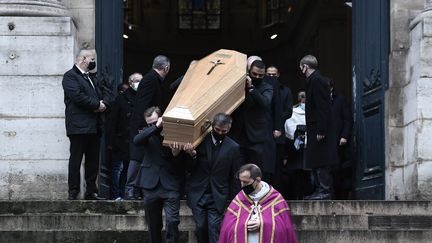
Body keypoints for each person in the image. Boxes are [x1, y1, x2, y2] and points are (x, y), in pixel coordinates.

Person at [182, 113, 241, 243]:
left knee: (214, 228)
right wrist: (192, 155)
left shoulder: (233, 147)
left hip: (218, 195)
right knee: (201, 227)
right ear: (213, 126)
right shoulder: (200, 141)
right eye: (217, 130)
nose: (219, 132)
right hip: (198, 193)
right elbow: (188, 168)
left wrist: (235, 200)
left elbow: (235, 175)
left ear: (228, 130)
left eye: (223, 131)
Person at [62, 49, 107, 200]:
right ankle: (73, 191)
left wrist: (104, 103)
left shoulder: (91, 78)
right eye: (91, 58)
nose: (93, 62)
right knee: (76, 159)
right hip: (78, 126)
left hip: (94, 126)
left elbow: (101, 93)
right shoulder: (70, 76)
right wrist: (97, 105)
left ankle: (91, 191)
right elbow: (78, 97)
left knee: (93, 160)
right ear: (83, 59)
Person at [133, 106, 183, 243]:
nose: (152, 125)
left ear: (162, 118)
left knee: (172, 221)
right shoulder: (147, 132)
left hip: (170, 183)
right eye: (149, 123)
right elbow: (136, 141)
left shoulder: (173, 132)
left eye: (155, 122)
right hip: (150, 184)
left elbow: (184, 161)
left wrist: (176, 154)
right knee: (153, 225)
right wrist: (155, 128)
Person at [125, 55, 170, 200]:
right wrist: (145, 128)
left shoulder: (152, 79)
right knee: (137, 158)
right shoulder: (151, 80)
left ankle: (137, 190)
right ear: (166, 68)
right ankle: (130, 190)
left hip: (146, 125)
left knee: (143, 158)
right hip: (143, 125)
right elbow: (142, 105)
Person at [219, 163, 297, 243]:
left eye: (246, 182)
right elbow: (227, 228)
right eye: (241, 181)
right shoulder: (239, 200)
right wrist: (244, 224)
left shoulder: (276, 199)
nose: (242, 185)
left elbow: (284, 229)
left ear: (258, 180)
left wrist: (263, 224)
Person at [299, 55, 337, 200]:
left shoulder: (318, 81)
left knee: (321, 160)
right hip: (315, 127)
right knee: (316, 160)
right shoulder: (313, 81)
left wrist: (321, 130)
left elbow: (323, 107)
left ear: (305, 67)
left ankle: (325, 191)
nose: (300, 70)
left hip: (320, 129)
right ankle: (319, 190)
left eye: (301, 67)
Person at [230, 59, 274, 181]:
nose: (257, 77)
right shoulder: (240, 84)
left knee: (256, 171)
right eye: (254, 74)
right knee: (237, 171)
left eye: (261, 75)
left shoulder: (267, 87)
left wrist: (251, 88)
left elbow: (265, 103)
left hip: (256, 136)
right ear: (249, 72)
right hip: (238, 135)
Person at [105, 73, 142, 200]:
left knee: (130, 169)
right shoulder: (121, 99)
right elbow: (112, 122)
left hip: (135, 140)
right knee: (118, 169)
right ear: (130, 82)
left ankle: (129, 193)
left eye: (140, 80)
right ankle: (116, 195)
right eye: (136, 80)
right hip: (120, 141)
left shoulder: (143, 97)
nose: (138, 83)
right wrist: (110, 142)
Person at [266, 64, 293, 191]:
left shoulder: (285, 91)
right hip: (264, 133)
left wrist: (275, 118)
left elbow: (289, 112)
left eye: (273, 75)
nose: (271, 77)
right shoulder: (263, 88)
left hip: (278, 133)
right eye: (269, 75)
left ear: (278, 75)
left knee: (277, 165)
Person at [328, 79, 353, 199]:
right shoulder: (320, 101)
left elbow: (347, 119)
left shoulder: (341, 100)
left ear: (331, 88)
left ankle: (341, 196)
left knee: (340, 170)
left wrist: (344, 136)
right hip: (326, 142)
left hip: (339, 141)